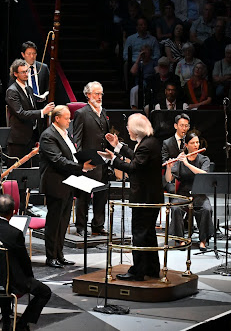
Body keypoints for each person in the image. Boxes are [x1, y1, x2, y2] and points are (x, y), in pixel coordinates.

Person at [0, 194, 52, 331]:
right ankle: (22, 325)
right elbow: (24, 261)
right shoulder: (15, 233)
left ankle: (6, 323)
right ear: (13, 213)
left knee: (5, 273)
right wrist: (30, 278)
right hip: (8, 282)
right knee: (44, 292)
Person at [102, 113, 163, 281]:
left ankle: (138, 271)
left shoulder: (146, 145)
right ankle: (151, 268)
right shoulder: (151, 142)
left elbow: (134, 167)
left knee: (140, 234)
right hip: (151, 196)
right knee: (148, 234)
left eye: (129, 126)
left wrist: (113, 159)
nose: (127, 129)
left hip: (144, 197)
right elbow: (138, 158)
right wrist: (118, 146)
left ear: (136, 129)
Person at [40, 105, 95, 268]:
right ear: (57, 118)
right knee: (54, 222)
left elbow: (71, 155)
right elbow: (57, 160)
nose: (69, 120)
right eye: (66, 117)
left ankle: (60, 254)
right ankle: (51, 256)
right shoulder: (48, 136)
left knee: (63, 221)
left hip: (68, 183)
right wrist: (81, 167)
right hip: (55, 183)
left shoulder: (65, 134)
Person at [6, 59, 54, 210]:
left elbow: (31, 108)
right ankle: (16, 206)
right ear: (15, 74)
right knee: (17, 175)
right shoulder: (12, 91)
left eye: (27, 71)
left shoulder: (28, 88)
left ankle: (24, 205)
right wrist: (42, 112)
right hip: (18, 139)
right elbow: (21, 113)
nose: (26, 74)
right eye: (23, 72)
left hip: (30, 137)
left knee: (27, 175)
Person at [73, 82, 110, 237]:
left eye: (101, 94)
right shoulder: (82, 113)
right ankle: (81, 225)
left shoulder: (103, 112)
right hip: (88, 161)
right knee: (84, 196)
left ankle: (98, 224)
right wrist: (81, 162)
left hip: (103, 161)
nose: (99, 97)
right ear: (88, 95)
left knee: (102, 195)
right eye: (96, 94)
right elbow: (78, 139)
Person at [165, 132, 212, 251]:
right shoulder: (181, 159)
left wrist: (187, 163)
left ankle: (203, 240)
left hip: (199, 192)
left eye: (197, 142)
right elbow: (168, 179)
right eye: (192, 143)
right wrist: (169, 168)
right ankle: (180, 240)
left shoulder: (204, 159)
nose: (196, 145)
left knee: (206, 209)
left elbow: (204, 174)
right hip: (184, 192)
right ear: (186, 145)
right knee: (175, 208)